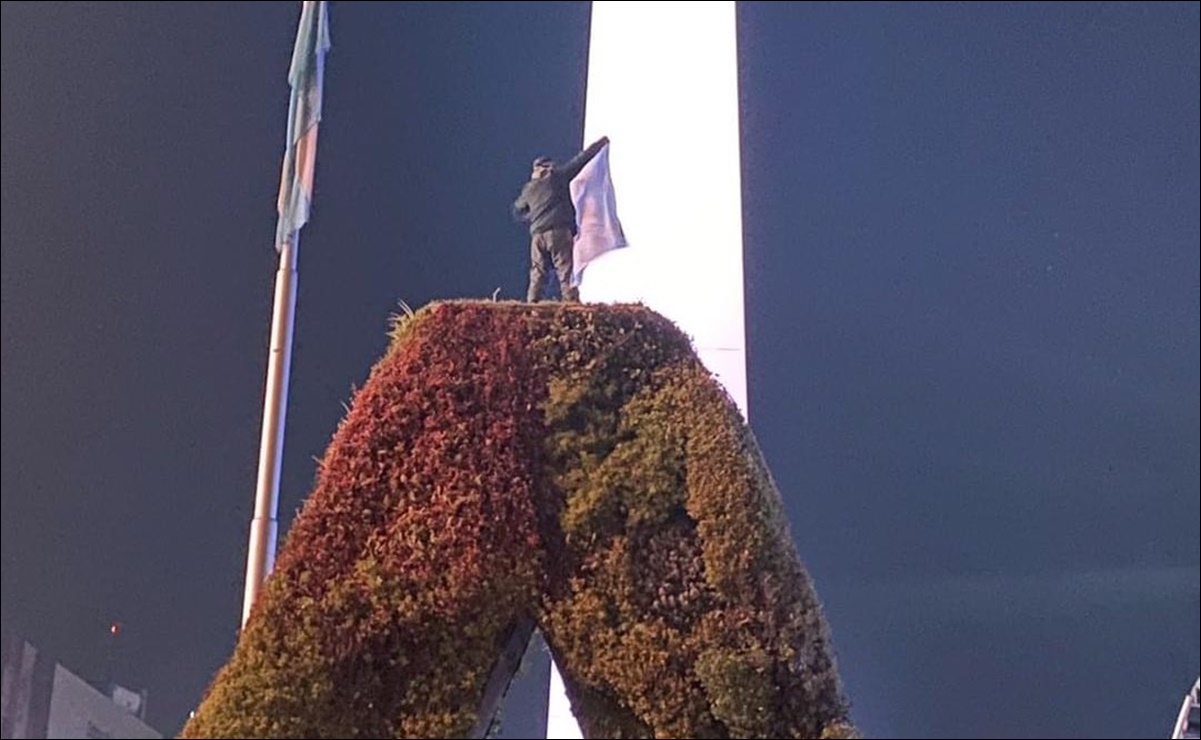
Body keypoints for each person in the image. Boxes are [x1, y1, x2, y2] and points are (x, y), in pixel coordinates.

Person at [512, 136, 609, 302]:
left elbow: (517, 210)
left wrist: (533, 216)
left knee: (538, 273)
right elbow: (581, 160)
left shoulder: (529, 189)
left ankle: (532, 307)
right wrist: (602, 142)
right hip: (558, 232)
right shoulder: (557, 178)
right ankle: (571, 307)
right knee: (565, 271)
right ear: (549, 167)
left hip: (537, 236)